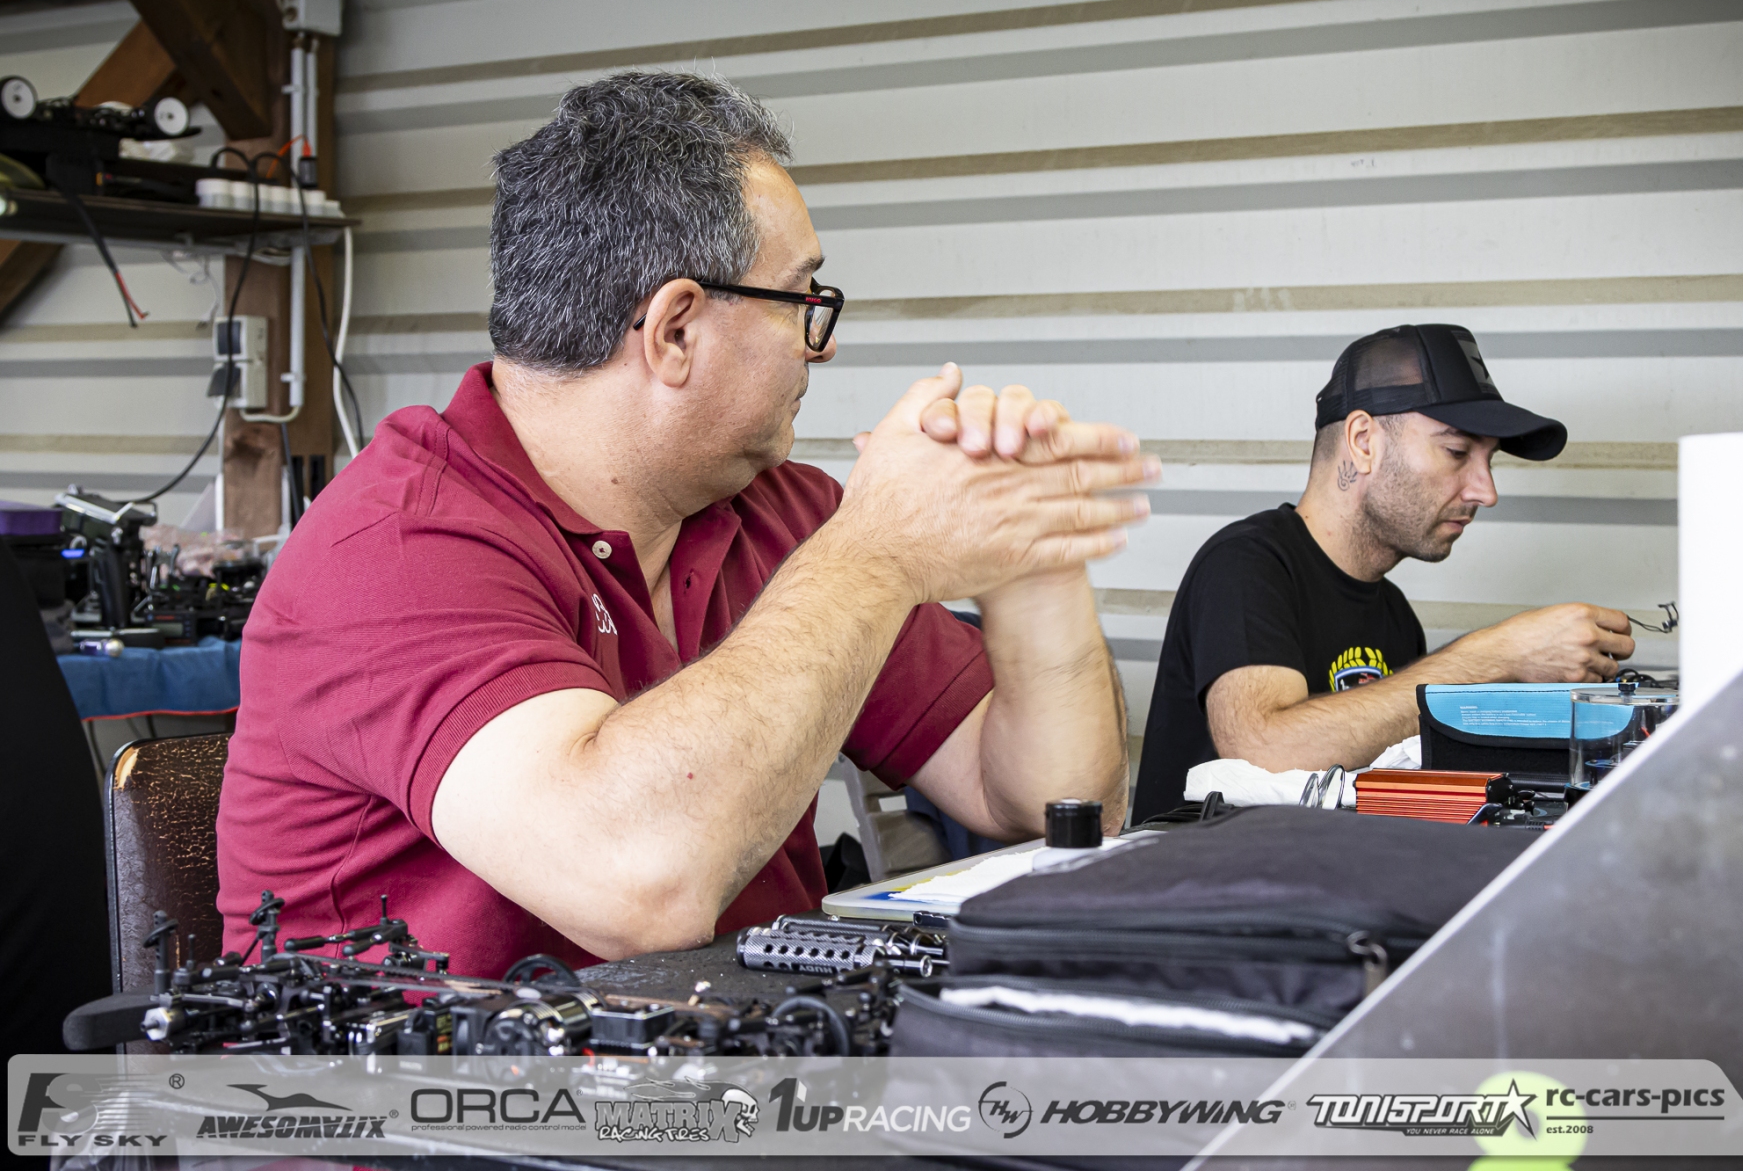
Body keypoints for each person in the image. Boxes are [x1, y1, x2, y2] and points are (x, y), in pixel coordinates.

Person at [215, 72, 1158, 977]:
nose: (820, 345)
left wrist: (1029, 546)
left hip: (747, 1067)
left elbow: (1053, 804)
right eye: (803, 300)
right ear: (675, 330)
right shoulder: (394, 548)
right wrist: (878, 551)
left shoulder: (779, 513)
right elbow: (639, 885)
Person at [1131, 323, 1636, 823]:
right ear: (1363, 441)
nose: (1486, 492)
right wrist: (1499, 655)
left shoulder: (1394, 614)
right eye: (1457, 452)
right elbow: (1264, 751)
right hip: (1198, 873)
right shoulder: (1246, 564)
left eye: (1489, 462)